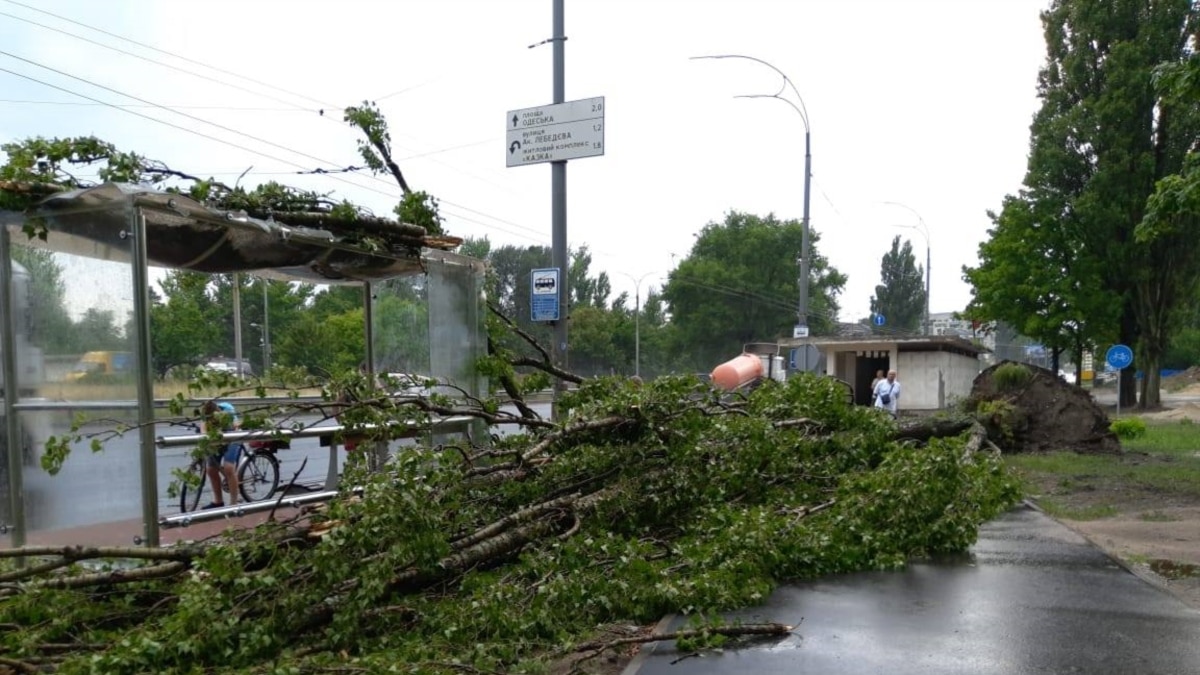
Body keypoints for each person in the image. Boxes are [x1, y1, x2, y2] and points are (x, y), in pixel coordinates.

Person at [201, 400, 242, 509]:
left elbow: (235, 426)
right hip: (217, 438)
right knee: (211, 469)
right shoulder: (206, 413)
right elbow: (203, 429)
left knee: (229, 467)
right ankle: (218, 501)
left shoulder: (227, 410)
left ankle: (234, 503)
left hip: (232, 436)